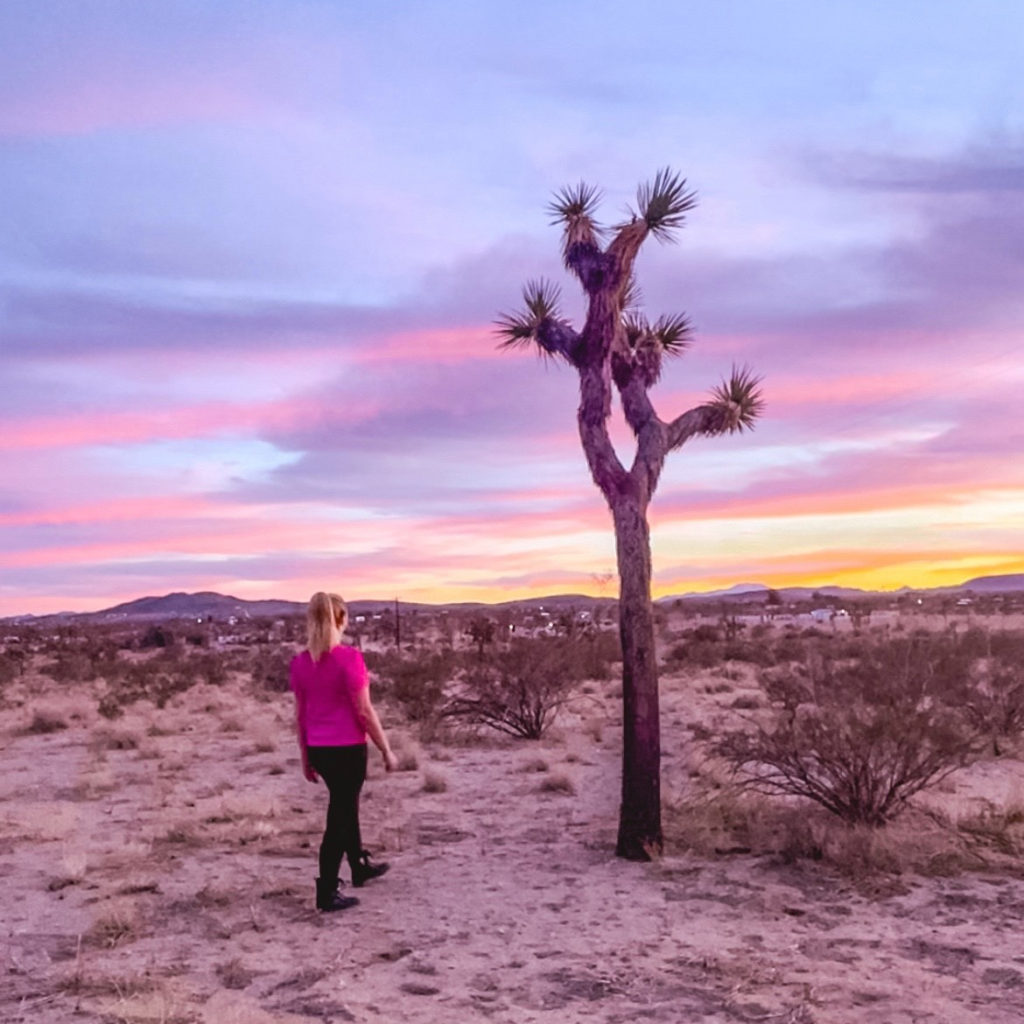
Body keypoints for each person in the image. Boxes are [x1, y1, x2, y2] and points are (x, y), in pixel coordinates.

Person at [290, 591, 399, 912]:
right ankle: (327, 890)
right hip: (348, 749)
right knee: (340, 816)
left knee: (345, 807)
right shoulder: (349, 659)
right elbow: (364, 712)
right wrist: (386, 749)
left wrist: (305, 757)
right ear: (340, 620)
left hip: (319, 750)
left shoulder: (300, 663)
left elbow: (299, 715)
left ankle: (359, 865)